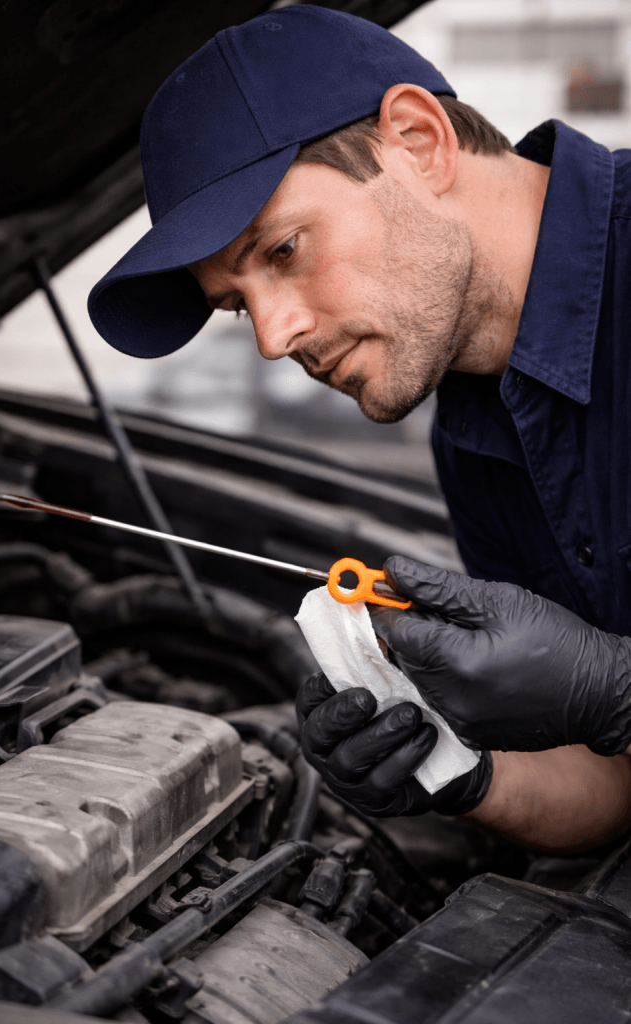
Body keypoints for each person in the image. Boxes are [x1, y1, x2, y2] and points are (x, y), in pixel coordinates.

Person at [88, 6, 631, 851]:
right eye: (236, 306)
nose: (273, 338)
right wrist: (459, 771)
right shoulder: (474, 433)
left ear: (416, 140)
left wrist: (619, 688)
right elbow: (615, 784)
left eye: (281, 252)